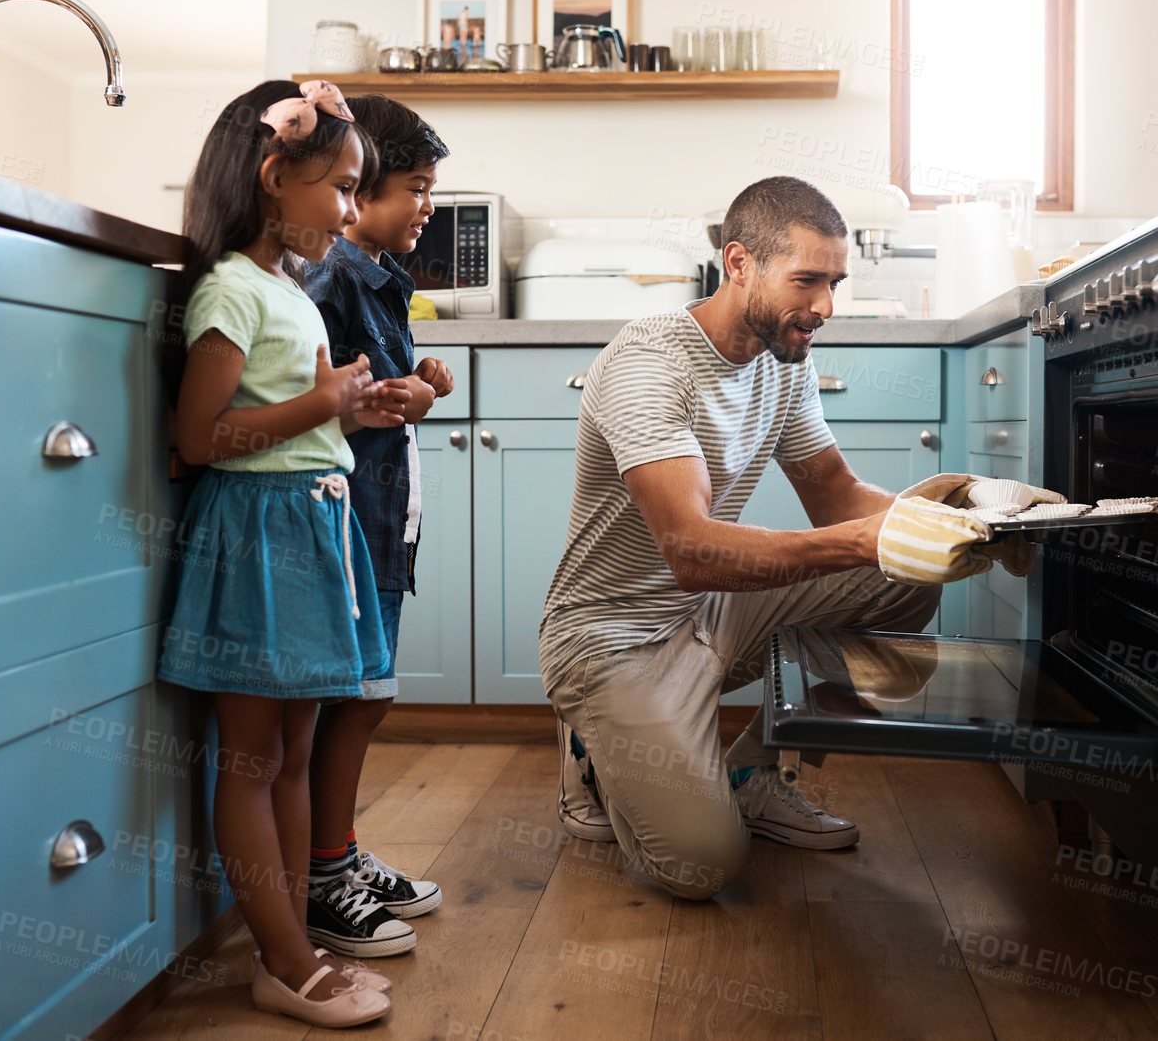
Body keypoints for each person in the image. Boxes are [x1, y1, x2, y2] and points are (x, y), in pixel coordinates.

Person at [539, 175, 951, 901]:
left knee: (909, 574)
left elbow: (833, 493)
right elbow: (692, 550)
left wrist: (946, 519)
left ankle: (759, 775)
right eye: (806, 280)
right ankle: (591, 751)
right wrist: (866, 540)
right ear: (738, 263)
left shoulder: (782, 357)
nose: (824, 306)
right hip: (611, 636)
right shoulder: (648, 364)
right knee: (701, 865)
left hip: (710, 614)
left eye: (834, 281)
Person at [158, 79, 402, 1026]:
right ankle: (287, 956)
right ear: (273, 176)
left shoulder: (285, 289)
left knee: (293, 751)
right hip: (258, 530)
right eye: (340, 187)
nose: (349, 211)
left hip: (309, 519)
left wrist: (355, 406)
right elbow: (198, 434)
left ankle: (287, 945)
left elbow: (295, 417)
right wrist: (323, 405)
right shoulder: (228, 289)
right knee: (254, 758)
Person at [303, 94, 455, 957]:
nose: (425, 206)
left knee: (364, 698)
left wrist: (422, 383)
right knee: (356, 702)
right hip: (352, 524)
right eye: (417, 188)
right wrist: (412, 396)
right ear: (357, 194)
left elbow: (381, 399)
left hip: (381, 520)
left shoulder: (379, 280)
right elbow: (328, 402)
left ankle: (339, 852)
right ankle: (325, 873)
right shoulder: (335, 280)